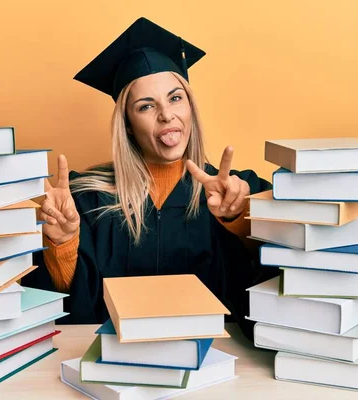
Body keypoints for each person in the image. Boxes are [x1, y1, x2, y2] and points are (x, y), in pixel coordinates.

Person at [22, 17, 277, 340]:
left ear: (190, 107)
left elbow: (278, 292)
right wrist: (62, 244)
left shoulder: (238, 193)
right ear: (127, 123)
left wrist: (240, 219)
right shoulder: (85, 200)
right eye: (145, 106)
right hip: (114, 368)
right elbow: (65, 315)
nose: (166, 114)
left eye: (175, 98)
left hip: (218, 365)